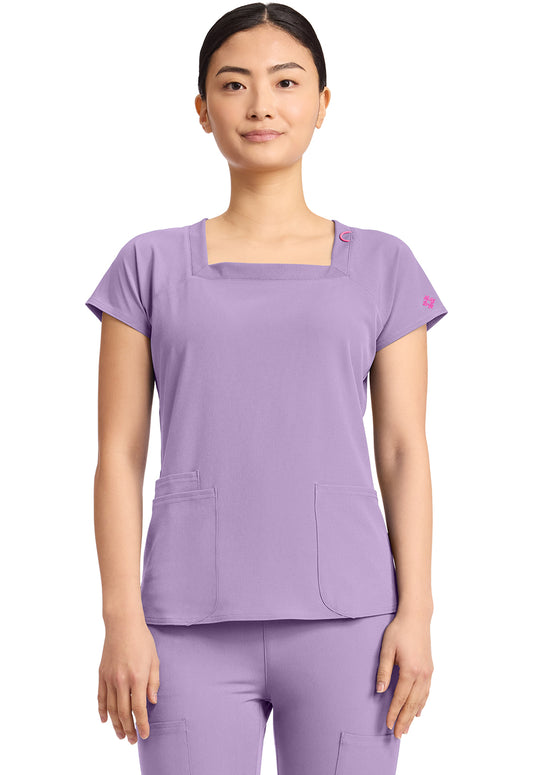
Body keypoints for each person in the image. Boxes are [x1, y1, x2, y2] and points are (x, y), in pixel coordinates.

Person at [85, 4, 448, 774]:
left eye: (285, 82)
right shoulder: (147, 266)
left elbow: (402, 450)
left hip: (351, 626)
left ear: (322, 103)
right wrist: (121, 617)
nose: (260, 105)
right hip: (182, 626)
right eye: (233, 84)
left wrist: (416, 609)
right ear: (201, 109)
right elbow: (117, 455)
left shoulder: (384, 265)